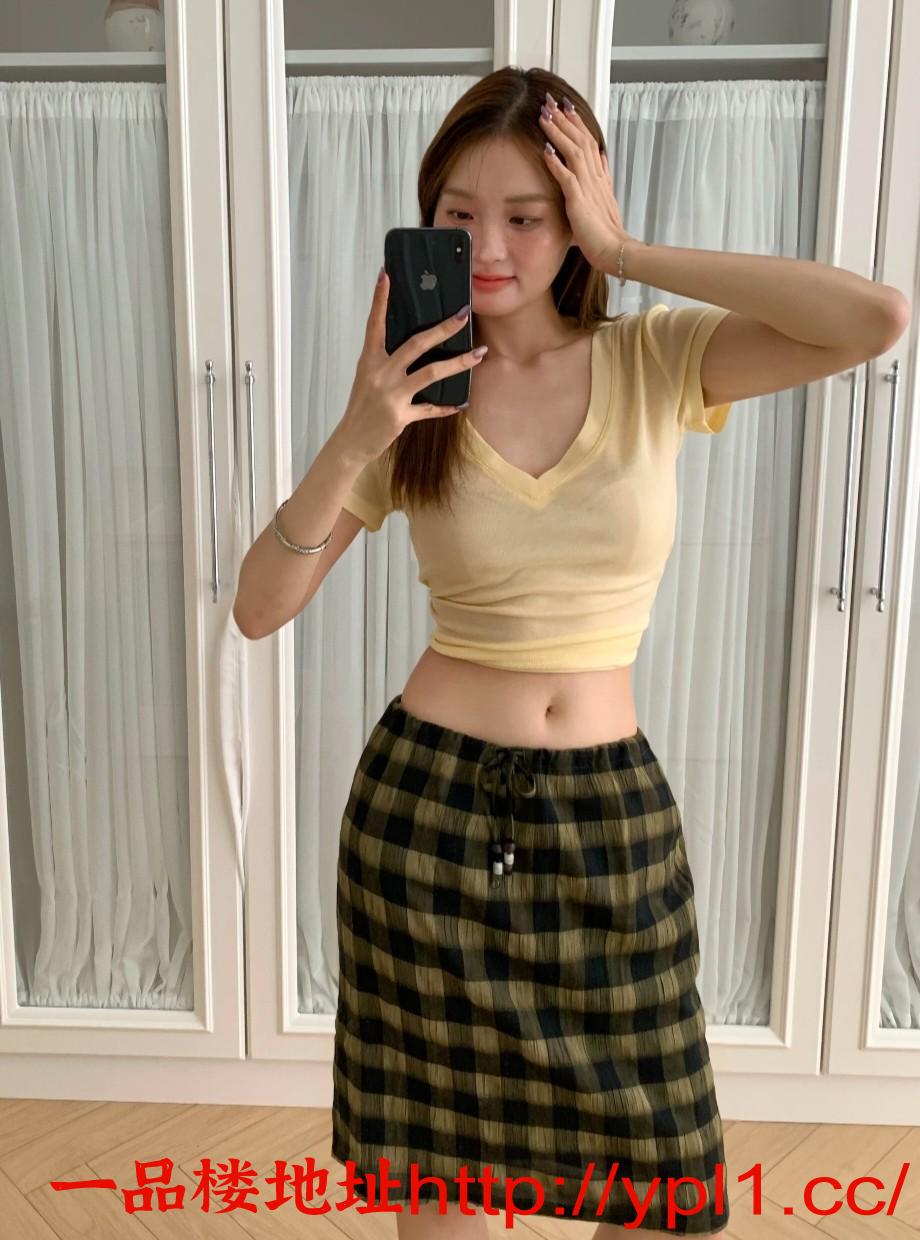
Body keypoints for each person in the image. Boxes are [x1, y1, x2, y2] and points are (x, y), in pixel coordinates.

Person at [236, 65, 739, 1238]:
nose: (492, 245)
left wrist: (630, 252)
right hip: (426, 817)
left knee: (664, 1185)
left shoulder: (655, 359)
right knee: (443, 1181)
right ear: (427, 221)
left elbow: (873, 318)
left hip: (607, 813)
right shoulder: (411, 399)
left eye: (528, 214)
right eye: (460, 215)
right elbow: (259, 607)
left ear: (576, 219)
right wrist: (354, 436)